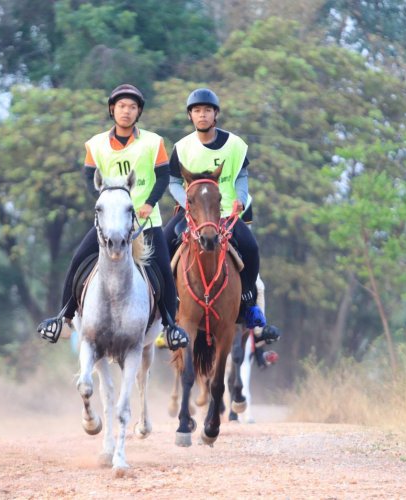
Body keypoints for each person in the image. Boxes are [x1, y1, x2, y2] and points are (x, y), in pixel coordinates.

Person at [37, 84, 189, 351]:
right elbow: (88, 175)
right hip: (111, 222)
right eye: (121, 106)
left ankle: (170, 325)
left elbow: (164, 176)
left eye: (132, 107)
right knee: (78, 259)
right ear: (112, 110)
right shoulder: (96, 144)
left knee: (164, 269)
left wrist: (149, 203)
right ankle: (64, 317)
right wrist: (103, 202)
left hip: (145, 221)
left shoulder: (153, 142)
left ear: (138, 112)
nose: (126, 111)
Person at [162, 88, 276, 340]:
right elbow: (172, 180)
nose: (202, 115)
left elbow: (242, 175)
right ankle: (164, 311)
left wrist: (241, 199)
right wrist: (187, 203)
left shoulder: (234, 144)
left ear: (216, 115)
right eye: (197, 111)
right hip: (193, 213)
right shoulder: (181, 147)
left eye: (207, 110)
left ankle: (249, 305)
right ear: (190, 116)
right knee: (162, 245)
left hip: (225, 212)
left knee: (250, 247)